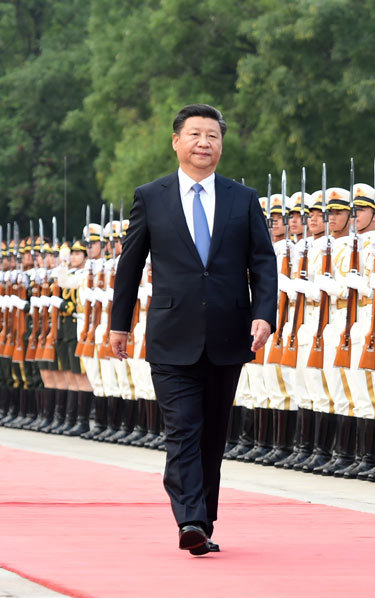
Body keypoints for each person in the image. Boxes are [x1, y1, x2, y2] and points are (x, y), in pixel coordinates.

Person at [109, 103, 277, 556]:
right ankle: (190, 519)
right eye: (195, 134)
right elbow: (130, 265)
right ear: (176, 141)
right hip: (171, 334)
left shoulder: (243, 198)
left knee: (212, 433)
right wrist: (119, 325)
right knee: (182, 428)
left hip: (228, 334)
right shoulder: (152, 196)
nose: (204, 143)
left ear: (221, 144)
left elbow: (263, 262)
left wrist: (264, 314)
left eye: (213, 136)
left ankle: (203, 517)